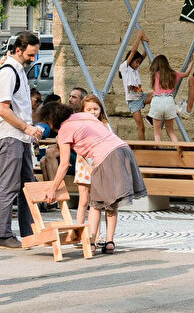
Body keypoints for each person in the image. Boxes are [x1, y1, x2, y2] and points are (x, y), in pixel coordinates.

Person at [43, 104, 147, 255]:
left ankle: (90, 242)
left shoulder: (65, 128)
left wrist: (53, 188)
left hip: (106, 156)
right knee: (111, 201)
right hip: (123, 150)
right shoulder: (83, 116)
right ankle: (109, 241)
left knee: (96, 203)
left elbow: (64, 163)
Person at [0, 31, 43, 250]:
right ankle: (4, 235)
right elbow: (2, 109)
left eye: (35, 54)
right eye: (30, 54)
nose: (33, 59)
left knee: (27, 185)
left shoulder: (19, 70)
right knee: (10, 186)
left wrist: (28, 130)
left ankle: (28, 232)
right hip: (9, 135)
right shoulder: (8, 72)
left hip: (20, 136)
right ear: (18, 50)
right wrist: (27, 128)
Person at [74, 96, 108, 233]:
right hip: (84, 166)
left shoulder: (104, 126)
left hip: (99, 166)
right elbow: (78, 149)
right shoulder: (80, 126)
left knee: (97, 203)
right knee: (83, 201)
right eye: (89, 109)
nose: (93, 112)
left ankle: (96, 234)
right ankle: (78, 232)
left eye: (95, 109)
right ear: (83, 110)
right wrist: (88, 167)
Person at [149, 54, 190, 142]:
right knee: (170, 131)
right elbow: (186, 74)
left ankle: (158, 152)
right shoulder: (173, 74)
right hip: (169, 101)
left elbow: (151, 68)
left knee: (157, 132)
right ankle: (178, 149)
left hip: (157, 100)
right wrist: (191, 62)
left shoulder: (154, 74)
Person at [120, 30, 151, 140]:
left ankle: (151, 116)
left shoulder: (134, 69)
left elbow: (144, 54)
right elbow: (133, 51)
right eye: (136, 62)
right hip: (133, 102)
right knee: (141, 127)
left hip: (141, 96)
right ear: (131, 60)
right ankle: (143, 147)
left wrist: (146, 43)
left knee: (158, 94)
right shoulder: (125, 68)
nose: (138, 64)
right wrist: (138, 37)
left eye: (139, 62)